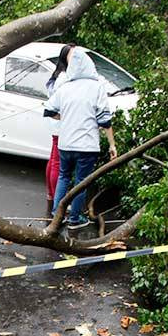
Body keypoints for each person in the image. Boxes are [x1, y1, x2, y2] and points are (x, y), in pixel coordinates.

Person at [43, 46, 117, 230]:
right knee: (81, 183)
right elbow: (105, 120)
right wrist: (112, 145)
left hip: (65, 143)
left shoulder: (65, 87)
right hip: (86, 146)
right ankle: (74, 219)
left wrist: (65, 117)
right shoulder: (97, 87)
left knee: (63, 177)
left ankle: (56, 214)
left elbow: (49, 111)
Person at [44, 44, 72, 216]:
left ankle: (50, 194)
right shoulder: (64, 78)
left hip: (57, 124)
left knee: (53, 159)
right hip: (61, 124)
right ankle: (56, 199)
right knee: (58, 163)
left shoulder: (58, 75)